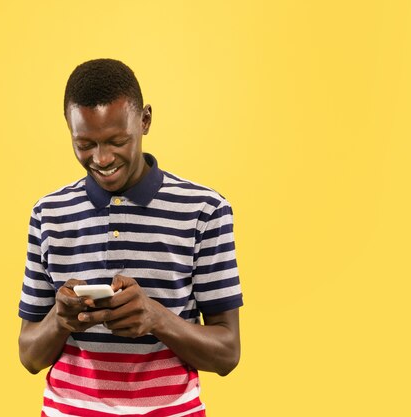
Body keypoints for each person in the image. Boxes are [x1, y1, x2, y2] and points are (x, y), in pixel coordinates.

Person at [18, 58, 243, 416]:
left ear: (145, 120)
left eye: (117, 141)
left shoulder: (205, 210)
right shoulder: (48, 214)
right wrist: (60, 320)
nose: (102, 158)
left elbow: (228, 353)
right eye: (85, 144)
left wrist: (157, 318)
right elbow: (29, 356)